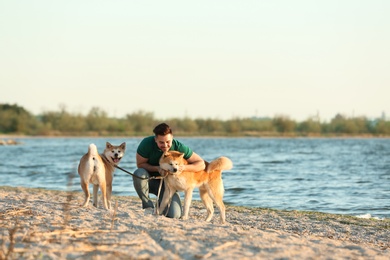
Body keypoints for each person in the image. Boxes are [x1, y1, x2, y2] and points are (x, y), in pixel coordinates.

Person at [132, 123, 206, 218]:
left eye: (168, 141)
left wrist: (183, 168)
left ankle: (160, 205)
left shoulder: (179, 147)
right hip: (150, 180)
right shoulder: (146, 143)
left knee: (174, 214)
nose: (165, 145)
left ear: (172, 138)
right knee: (139, 174)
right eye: (161, 142)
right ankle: (148, 206)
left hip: (169, 184)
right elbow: (140, 165)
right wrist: (158, 168)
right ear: (155, 140)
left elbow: (201, 164)